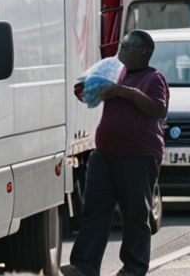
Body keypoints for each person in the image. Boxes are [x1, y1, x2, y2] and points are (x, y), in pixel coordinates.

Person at [61, 30, 169, 276]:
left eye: (126, 45)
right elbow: (82, 91)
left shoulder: (154, 78)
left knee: (135, 217)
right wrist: (90, 87)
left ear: (142, 51)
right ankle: (84, 266)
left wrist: (121, 92)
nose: (120, 49)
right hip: (105, 153)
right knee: (95, 211)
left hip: (139, 155)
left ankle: (134, 268)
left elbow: (158, 109)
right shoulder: (114, 70)